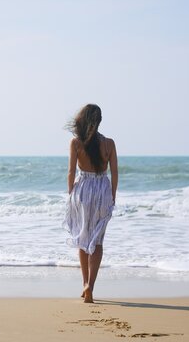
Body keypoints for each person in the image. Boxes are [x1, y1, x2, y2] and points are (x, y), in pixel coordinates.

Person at [63, 104, 118, 303]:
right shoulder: (109, 144)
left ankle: (84, 283)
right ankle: (90, 286)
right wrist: (112, 196)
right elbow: (115, 173)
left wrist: (71, 194)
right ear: (100, 120)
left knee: (82, 238)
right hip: (102, 190)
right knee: (97, 241)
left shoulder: (76, 143)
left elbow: (70, 172)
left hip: (83, 191)